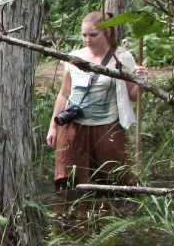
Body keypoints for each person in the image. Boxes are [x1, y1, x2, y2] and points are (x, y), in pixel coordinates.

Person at [46, 10, 143, 190]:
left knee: (115, 181)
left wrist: (142, 82)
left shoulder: (121, 57)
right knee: (68, 183)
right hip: (73, 127)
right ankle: (70, 216)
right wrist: (53, 126)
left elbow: (133, 96)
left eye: (93, 35)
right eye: (84, 35)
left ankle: (111, 214)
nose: (87, 39)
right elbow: (64, 94)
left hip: (107, 127)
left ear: (107, 32)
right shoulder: (75, 57)